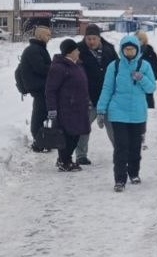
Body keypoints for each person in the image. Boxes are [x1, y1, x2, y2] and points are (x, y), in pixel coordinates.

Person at [97, 35, 157, 193]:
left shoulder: (145, 66)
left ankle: (134, 173)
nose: (129, 52)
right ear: (122, 50)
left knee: (135, 147)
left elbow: (151, 88)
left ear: (137, 50)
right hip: (118, 112)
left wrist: (142, 78)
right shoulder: (114, 66)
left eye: (132, 49)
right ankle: (119, 179)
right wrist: (101, 110)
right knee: (121, 146)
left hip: (138, 113)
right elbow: (107, 88)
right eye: (126, 49)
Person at [74, 23, 118, 166]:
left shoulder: (109, 49)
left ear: (99, 38)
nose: (91, 41)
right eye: (88, 39)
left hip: (108, 98)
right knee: (84, 127)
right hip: (88, 98)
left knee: (113, 127)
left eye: (94, 38)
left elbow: (118, 69)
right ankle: (81, 155)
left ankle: (120, 152)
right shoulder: (78, 51)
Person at [45, 39, 92, 172]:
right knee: (68, 135)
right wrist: (52, 109)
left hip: (78, 107)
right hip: (66, 107)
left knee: (76, 134)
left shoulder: (76, 65)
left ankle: (65, 159)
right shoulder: (59, 67)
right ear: (70, 52)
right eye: (76, 50)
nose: (78, 51)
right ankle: (64, 161)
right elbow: (51, 90)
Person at [19, 25, 53, 152]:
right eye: (47, 35)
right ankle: (39, 142)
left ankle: (42, 140)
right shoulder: (34, 50)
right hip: (38, 87)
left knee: (42, 112)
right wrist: (55, 68)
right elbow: (40, 68)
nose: (50, 37)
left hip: (40, 86)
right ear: (40, 36)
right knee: (39, 114)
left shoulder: (38, 48)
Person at [134, 30, 157, 109]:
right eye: (135, 39)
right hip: (133, 92)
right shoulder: (129, 53)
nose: (137, 42)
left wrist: (146, 78)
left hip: (146, 91)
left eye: (140, 39)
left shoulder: (150, 54)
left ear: (144, 40)